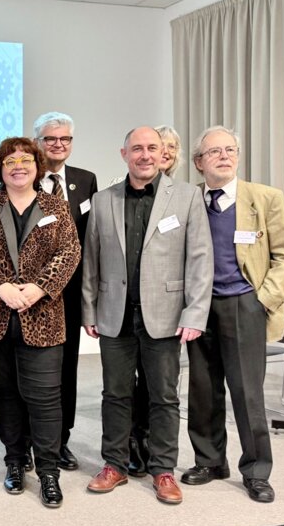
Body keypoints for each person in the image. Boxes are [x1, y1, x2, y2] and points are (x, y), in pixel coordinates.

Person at [82, 126, 213, 505]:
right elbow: (92, 260)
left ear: (162, 153)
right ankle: (115, 465)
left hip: (167, 315)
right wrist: (89, 308)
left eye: (151, 148)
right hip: (114, 315)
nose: (144, 155)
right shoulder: (103, 199)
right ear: (123, 153)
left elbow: (201, 260)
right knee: (115, 395)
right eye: (136, 148)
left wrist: (194, 313)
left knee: (164, 397)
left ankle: (163, 470)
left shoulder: (187, 197)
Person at [182, 126, 284, 503]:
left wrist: (262, 300)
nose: (224, 156)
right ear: (199, 162)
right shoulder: (187, 201)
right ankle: (211, 460)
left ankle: (257, 470)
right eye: (214, 151)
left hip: (244, 303)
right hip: (200, 308)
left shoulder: (265, 198)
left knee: (247, 394)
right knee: (202, 390)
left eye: (230, 149)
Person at [0, 137, 80, 507]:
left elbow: (70, 251)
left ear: (37, 166)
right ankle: (15, 461)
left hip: (42, 314)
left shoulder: (56, 207)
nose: (18, 165)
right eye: (10, 160)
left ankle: (48, 471)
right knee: (7, 394)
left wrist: (39, 288)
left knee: (45, 399)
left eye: (26, 160)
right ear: (0, 168)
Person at [34, 111, 98, 471]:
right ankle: (32, 437)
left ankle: (61, 440)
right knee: (34, 370)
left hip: (71, 292)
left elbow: (92, 237)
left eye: (65, 139)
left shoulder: (85, 180)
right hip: (34, 293)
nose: (58, 145)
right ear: (37, 142)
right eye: (50, 138)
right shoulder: (24, 175)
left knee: (67, 368)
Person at [125, 124, 184, 477]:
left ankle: (158, 456)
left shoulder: (186, 195)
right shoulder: (121, 191)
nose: (163, 154)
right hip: (126, 306)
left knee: (160, 389)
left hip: (165, 309)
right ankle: (133, 442)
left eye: (169, 148)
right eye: (148, 148)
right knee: (125, 388)